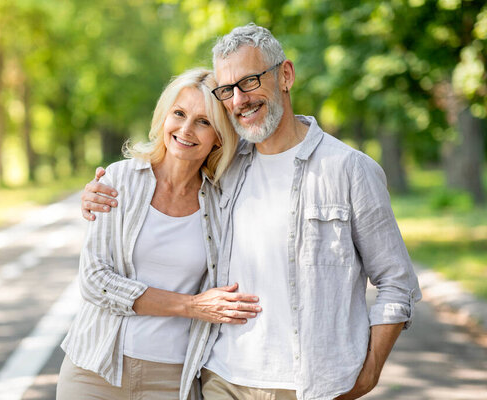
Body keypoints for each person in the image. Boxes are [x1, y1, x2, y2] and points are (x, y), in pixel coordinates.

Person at [80, 24, 422, 400]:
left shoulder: (349, 170)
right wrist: (100, 192)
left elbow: (396, 281)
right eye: (227, 90)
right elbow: (168, 175)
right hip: (219, 377)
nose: (239, 99)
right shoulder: (225, 169)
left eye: (251, 81)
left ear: (285, 75)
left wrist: (370, 370)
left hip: (307, 386)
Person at [57, 68, 262, 400]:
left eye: (204, 121)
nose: (185, 129)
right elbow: (94, 280)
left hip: (173, 378)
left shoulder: (223, 201)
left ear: (219, 136)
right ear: (163, 117)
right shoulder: (118, 180)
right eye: (179, 114)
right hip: (94, 370)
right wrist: (191, 305)